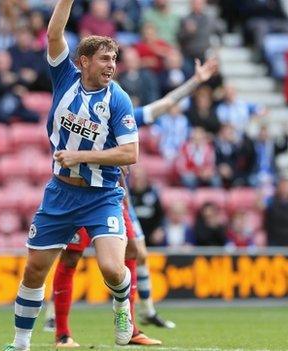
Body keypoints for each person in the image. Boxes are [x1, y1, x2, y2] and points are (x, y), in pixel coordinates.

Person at [44, 57, 218, 347]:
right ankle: (62, 332)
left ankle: (132, 327)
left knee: (134, 249)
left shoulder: (122, 113)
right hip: (80, 192)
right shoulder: (85, 113)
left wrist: (195, 82)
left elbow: (161, 106)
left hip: (110, 196)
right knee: (71, 256)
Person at [3, 1, 140, 349]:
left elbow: (131, 153)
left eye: (114, 59)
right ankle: (20, 344)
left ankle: (122, 303)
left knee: (112, 268)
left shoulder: (118, 99)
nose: (111, 65)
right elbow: (53, 33)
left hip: (102, 196)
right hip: (61, 193)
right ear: (84, 62)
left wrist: (81, 154)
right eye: (104, 59)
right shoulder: (65, 77)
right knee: (35, 270)